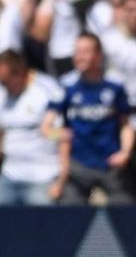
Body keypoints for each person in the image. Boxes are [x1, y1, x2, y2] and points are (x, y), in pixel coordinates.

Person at [41, 33, 135, 205]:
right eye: (77, 51)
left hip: (110, 163)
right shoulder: (66, 85)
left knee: (125, 214)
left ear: (98, 55)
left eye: (85, 52)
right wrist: (60, 134)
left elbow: (125, 125)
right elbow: (45, 128)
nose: (79, 57)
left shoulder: (114, 84)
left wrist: (125, 153)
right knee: (71, 215)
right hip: (78, 165)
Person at [0, 50, 66, 206]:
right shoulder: (1, 96)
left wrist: (61, 180)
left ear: (20, 73)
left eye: (5, 81)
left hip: (43, 177)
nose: (2, 86)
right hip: (9, 175)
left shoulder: (47, 91)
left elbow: (64, 138)